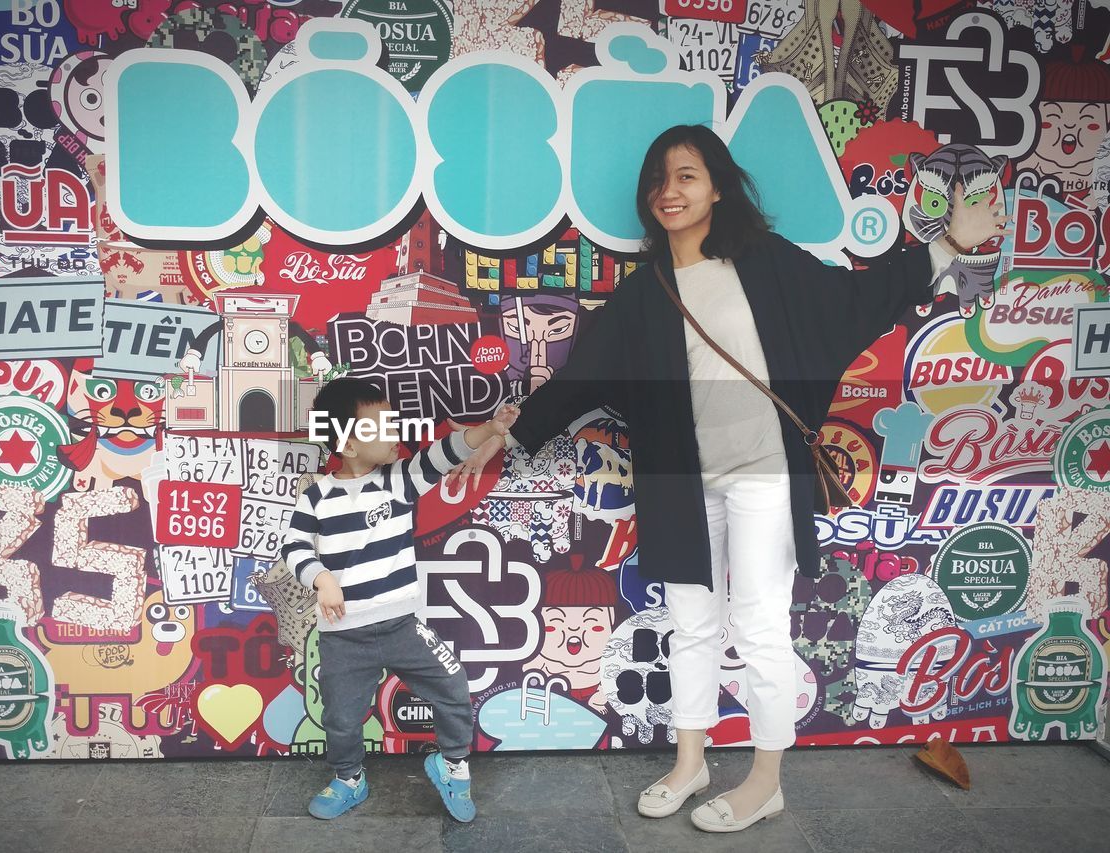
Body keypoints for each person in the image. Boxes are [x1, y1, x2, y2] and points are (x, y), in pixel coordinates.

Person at [453, 124, 1008, 833]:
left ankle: (766, 779)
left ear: (717, 186)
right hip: (681, 484)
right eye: (659, 180)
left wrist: (948, 244)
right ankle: (691, 761)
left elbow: (855, 300)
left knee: (760, 626)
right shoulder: (644, 291)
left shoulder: (765, 261)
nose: (669, 192)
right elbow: (578, 381)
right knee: (691, 626)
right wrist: (507, 429)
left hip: (764, 477)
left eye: (686, 176)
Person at [280, 377, 517, 821]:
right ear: (349, 444)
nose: (395, 433)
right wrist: (321, 578)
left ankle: (454, 767)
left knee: (452, 688)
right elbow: (293, 547)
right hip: (343, 638)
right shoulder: (316, 496)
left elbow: (447, 451)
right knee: (341, 719)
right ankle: (349, 778)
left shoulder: (401, 479)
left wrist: (489, 430)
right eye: (382, 426)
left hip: (401, 627)